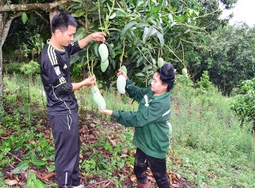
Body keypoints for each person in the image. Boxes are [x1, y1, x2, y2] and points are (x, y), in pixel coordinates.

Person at [40, 12, 106, 188]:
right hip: (61, 111)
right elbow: (63, 86)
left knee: (73, 147)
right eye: (70, 35)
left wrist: (91, 37)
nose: (72, 38)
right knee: (66, 153)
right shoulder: (50, 57)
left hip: (69, 108)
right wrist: (85, 83)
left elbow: (75, 46)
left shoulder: (61, 48)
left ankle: (75, 183)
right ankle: (66, 185)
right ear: (57, 32)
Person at [99, 63, 175, 188]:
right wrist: (126, 81)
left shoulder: (161, 103)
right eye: (152, 80)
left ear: (165, 85)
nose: (152, 83)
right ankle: (144, 185)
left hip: (155, 146)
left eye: (155, 81)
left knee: (160, 178)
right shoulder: (153, 92)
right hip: (144, 141)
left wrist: (113, 113)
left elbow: (138, 118)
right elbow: (138, 93)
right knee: (139, 169)